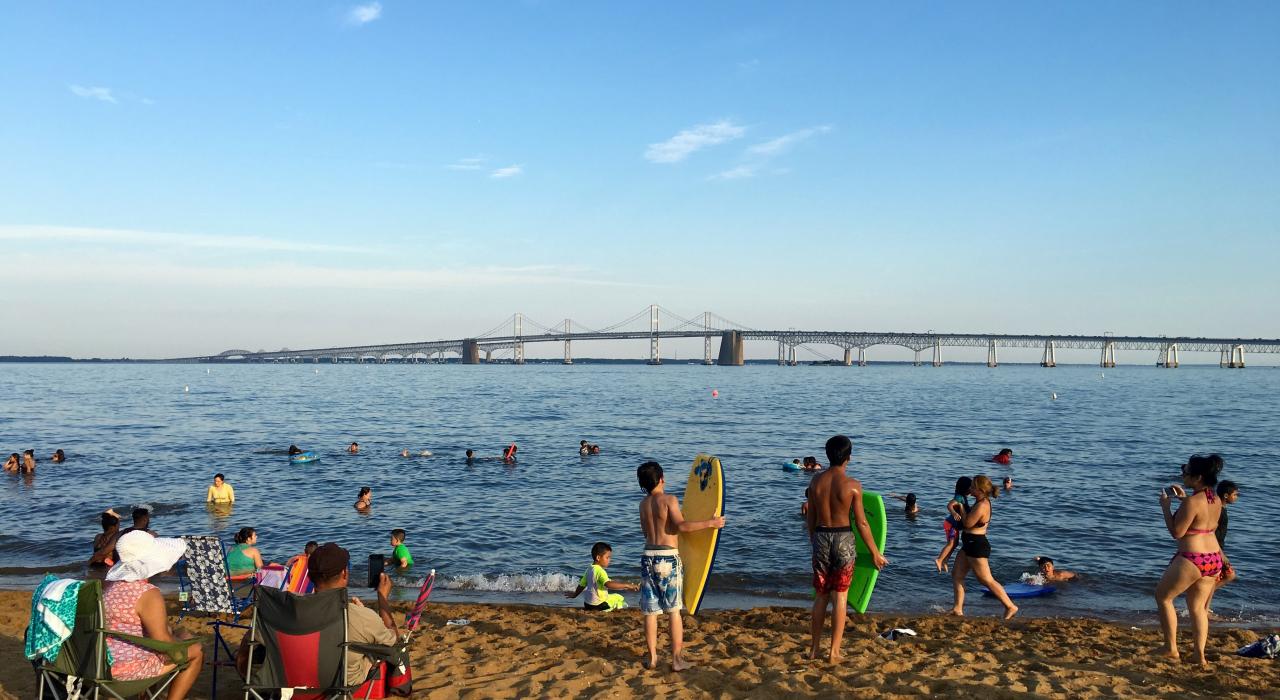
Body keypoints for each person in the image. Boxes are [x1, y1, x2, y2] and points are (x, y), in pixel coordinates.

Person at [237, 543, 399, 687]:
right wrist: (382, 597)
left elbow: (247, 644)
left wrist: (246, 675)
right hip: (339, 682)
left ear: (309, 576)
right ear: (345, 574)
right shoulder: (359, 616)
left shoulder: (281, 611)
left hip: (283, 680)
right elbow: (393, 640)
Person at [805, 435, 888, 663]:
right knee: (840, 595)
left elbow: (810, 516)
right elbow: (861, 523)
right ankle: (834, 653)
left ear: (828, 455)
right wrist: (875, 553)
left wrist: (814, 539)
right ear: (848, 457)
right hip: (843, 538)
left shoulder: (816, 483)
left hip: (821, 536)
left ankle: (813, 651)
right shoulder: (853, 486)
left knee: (821, 595)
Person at [636, 460, 725, 671]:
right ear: (661, 478)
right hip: (668, 559)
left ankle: (653, 659)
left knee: (651, 612)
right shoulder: (669, 500)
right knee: (673, 611)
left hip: (648, 556)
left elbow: (645, 533)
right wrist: (711, 523)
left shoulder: (643, 504)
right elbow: (682, 526)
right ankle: (676, 660)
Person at [103, 531, 204, 699]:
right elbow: (162, 642)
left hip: (103, 664)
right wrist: (183, 646)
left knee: (180, 635)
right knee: (196, 651)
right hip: (126, 672)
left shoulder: (110, 588)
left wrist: (179, 638)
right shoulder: (147, 593)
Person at [1155, 454, 1225, 666]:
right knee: (1198, 608)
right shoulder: (1216, 499)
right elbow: (1201, 519)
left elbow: (1177, 532)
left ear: (1198, 477)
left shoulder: (1192, 502)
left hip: (1193, 558)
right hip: (1213, 558)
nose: (1182, 475)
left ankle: (1171, 649)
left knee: (1163, 597)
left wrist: (1166, 508)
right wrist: (1184, 499)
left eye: (1185, 473)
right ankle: (1199, 655)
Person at [949, 475, 1018, 620]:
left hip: (977, 545)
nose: (970, 489)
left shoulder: (982, 505)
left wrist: (960, 507)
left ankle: (1010, 606)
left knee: (986, 579)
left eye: (973, 486)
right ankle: (957, 609)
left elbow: (967, 523)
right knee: (957, 575)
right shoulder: (978, 501)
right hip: (969, 544)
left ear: (980, 490)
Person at [565, 542, 637, 611]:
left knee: (613, 596)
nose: (609, 560)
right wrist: (627, 585)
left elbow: (582, 585)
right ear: (598, 558)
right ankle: (612, 608)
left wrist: (575, 595)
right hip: (599, 605)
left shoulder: (589, 569)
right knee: (619, 598)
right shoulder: (600, 571)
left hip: (587, 604)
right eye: (607, 557)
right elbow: (608, 584)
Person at [1205, 480, 1239, 615]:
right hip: (1215, 549)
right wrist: (1221, 553)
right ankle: (1204, 608)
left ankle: (1205, 606)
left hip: (1216, 548)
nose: (1236, 497)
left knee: (1223, 577)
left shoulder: (1220, 508)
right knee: (1229, 575)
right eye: (1235, 494)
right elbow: (1210, 531)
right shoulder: (1219, 510)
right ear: (1226, 495)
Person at [934, 477, 972, 573]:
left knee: (955, 544)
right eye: (970, 487)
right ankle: (939, 560)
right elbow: (949, 505)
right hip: (951, 524)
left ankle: (945, 560)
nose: (972, 489)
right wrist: (954, 513)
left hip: (953, 525)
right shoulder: (959, 497)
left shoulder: (963, 497)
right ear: (965, 488)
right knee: (951, 543)